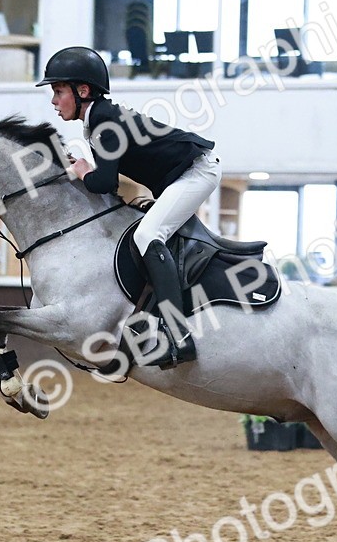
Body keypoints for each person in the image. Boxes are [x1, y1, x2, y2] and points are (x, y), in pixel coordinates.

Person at [38, 46, 219, 369]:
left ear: (83, 91)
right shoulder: (98, 119)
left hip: (197, 172)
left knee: (148, 235)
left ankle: (178, 336)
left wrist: (81, 170)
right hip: (177, 178)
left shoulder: (105, 121)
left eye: (58, 91)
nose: (53, 100)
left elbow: (104, 183)